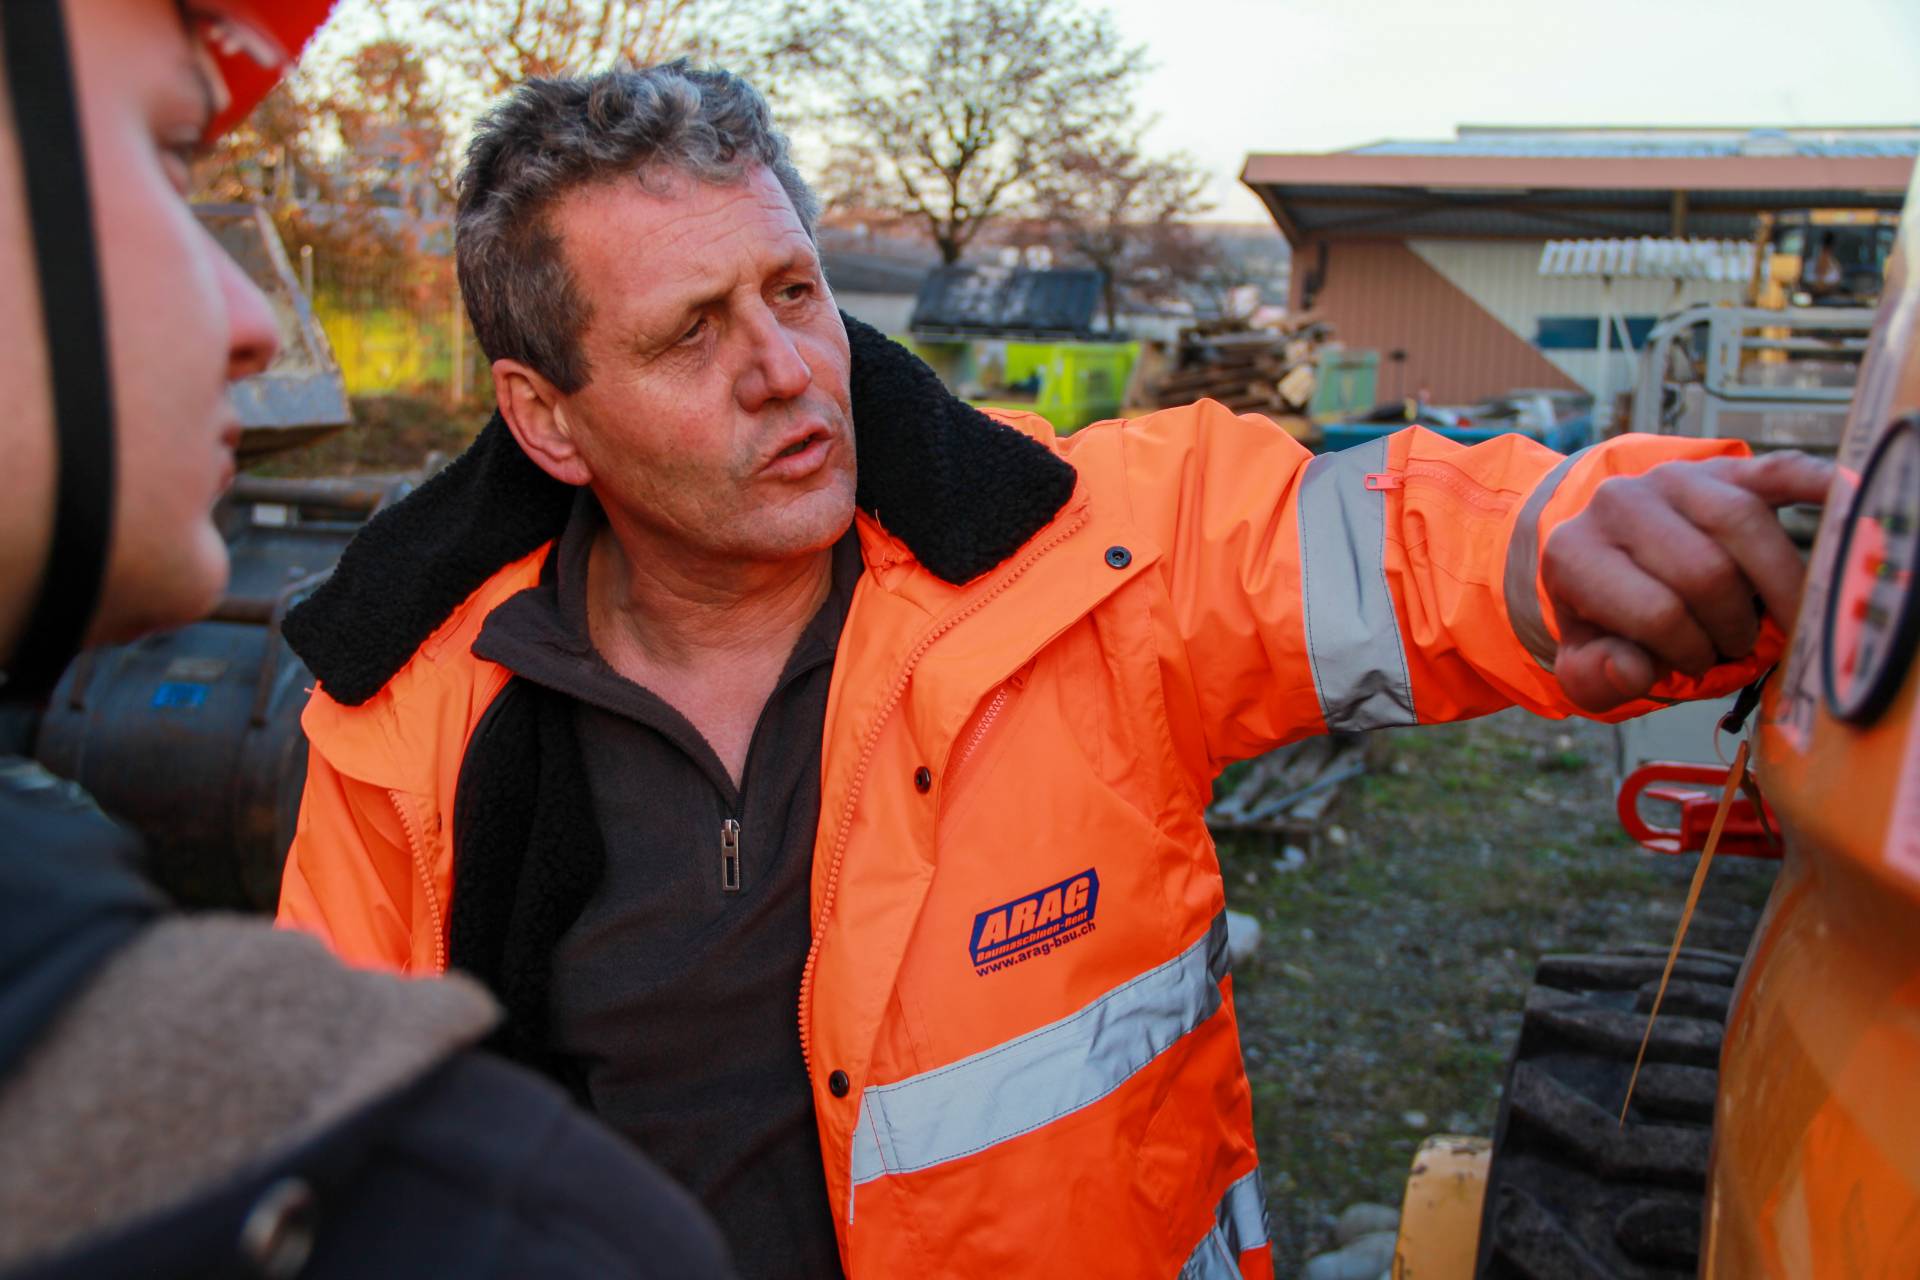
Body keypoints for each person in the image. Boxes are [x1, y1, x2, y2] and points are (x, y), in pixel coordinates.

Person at [277, 62, 1833, 1279]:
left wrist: (1572, 531)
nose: (788, 371)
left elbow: (1379, 542)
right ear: (547, 419)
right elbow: (334, 1154)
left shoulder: (1080, 559)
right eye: (692, 334)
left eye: (795, 291)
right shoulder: (407, 729)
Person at [0, 5, 733, 1277]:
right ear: (542, 414)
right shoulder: (497, 1222)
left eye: (795, 293)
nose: (249, 317)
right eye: (171, 151)